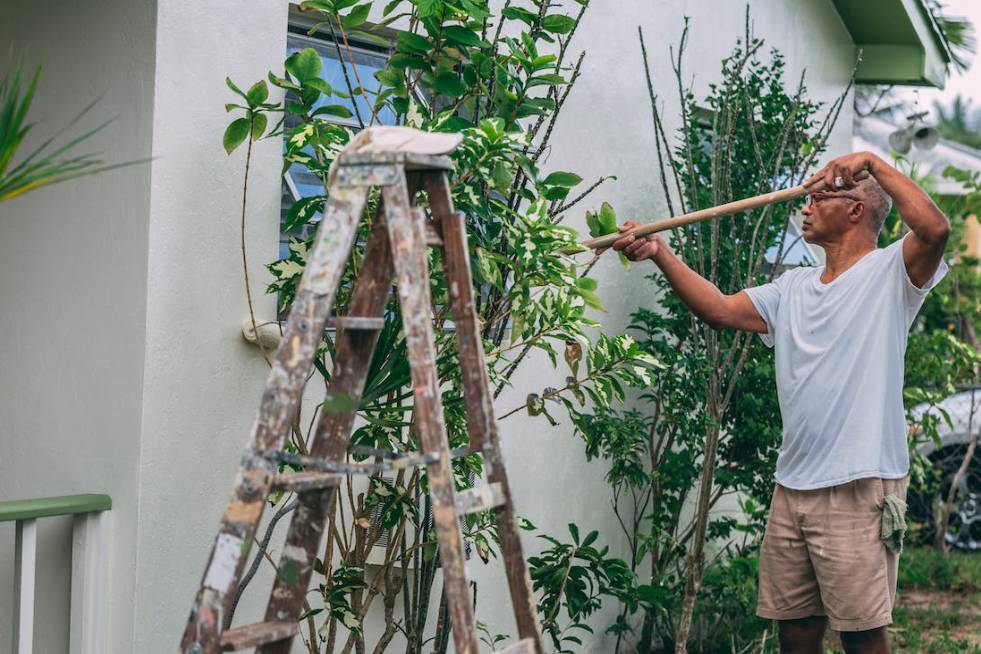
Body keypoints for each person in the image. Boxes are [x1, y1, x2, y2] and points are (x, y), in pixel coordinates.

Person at [603, 152, 949, 654]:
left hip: (858, 484)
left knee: (862, 634)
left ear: (855, 210)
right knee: (796, 628)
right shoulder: (793, 288)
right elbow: (720, 309)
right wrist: (659, 251)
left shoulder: (890, 274)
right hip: (794, 487)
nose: (805, 207)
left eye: (819, 197)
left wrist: (872, 165)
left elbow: (935, 230)